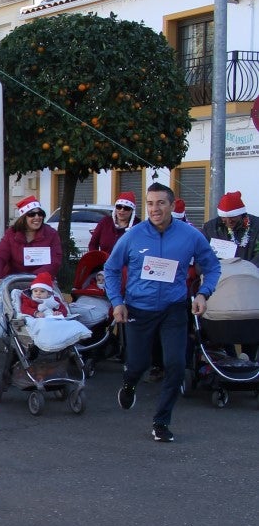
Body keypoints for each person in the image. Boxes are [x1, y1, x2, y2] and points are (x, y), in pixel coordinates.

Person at [104, 183, 221, 443]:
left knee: (176, 365)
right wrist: (117, 301)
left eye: (160, 203)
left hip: (174, 308)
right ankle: (129, 383)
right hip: (138, 308)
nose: (155, 208)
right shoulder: (133, 236)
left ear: (171, 204)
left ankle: (161, 422)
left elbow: (212, 267)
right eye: (150, 203)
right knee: (138, 364)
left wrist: (203, 293)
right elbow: (111, 269)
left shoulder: (190, 235)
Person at [0, 196, 61, 287]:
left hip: (41, 283)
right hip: (15, 282)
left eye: (40, 213)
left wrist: (33, 277)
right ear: (23, 217)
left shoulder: (51, 234)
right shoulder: (12, 234)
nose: (37, 217)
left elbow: (55, 261)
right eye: (32, 214)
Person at [202, 191, 256, 261]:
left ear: (241, 214)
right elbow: (203, 254)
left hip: (250, 270)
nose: (228, 221)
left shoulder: (256, 226)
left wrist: (249, 269)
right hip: (220, 270)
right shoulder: (210, 228)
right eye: (224, 217)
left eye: (232, 217)